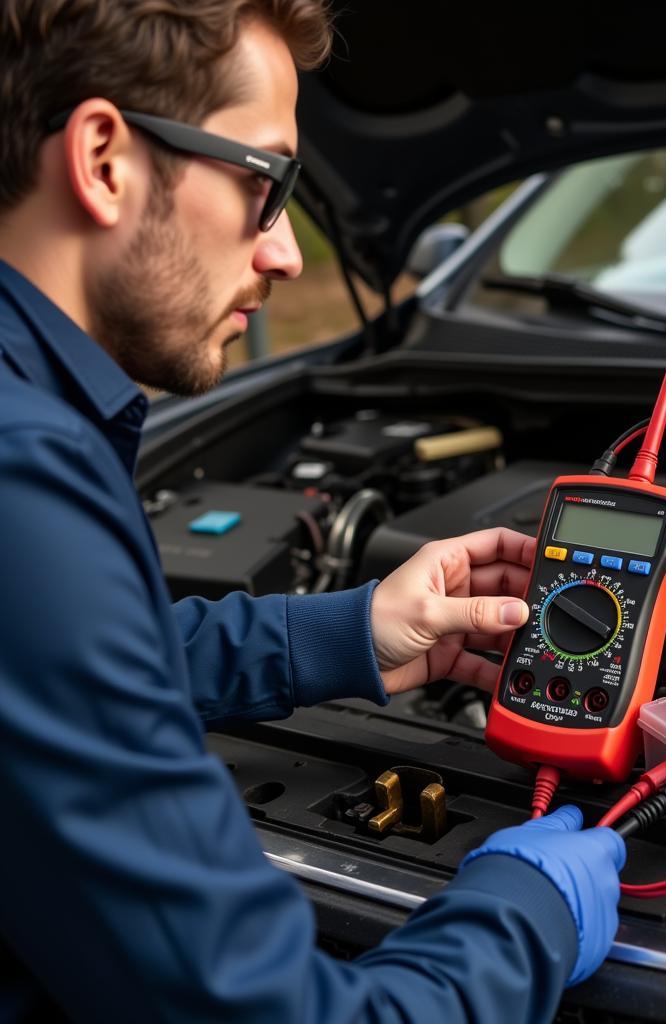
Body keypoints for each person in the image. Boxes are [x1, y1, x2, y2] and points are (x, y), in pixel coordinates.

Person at [0, 2, 626, 1021]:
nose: (287, 253)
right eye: (267, 182)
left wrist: (346, 634)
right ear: (105, 157)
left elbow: (53, 668)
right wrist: (525, 913)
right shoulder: (25, 478)